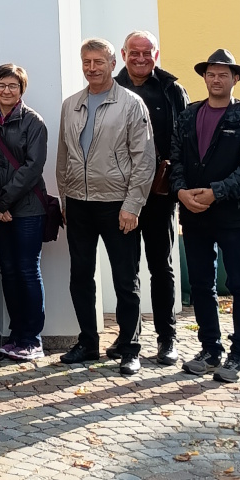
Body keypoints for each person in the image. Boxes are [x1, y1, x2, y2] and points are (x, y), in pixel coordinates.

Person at [57, 37, 155, 375]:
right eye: (87, 61)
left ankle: (129, 347)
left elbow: (144, 159)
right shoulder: (71, 105)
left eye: (99, 61)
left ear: (114, 64)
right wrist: (65, 199)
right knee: (80, 276)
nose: (92, 68)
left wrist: (133, 204)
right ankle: (88, 342)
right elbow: (63, 156)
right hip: (78, 203)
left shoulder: (131, 104)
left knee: (125, 279)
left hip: (117, 204)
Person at [173, 49, 240, 384]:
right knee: (201, 284)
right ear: (204, 77)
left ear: (235, 79)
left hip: (232, 215)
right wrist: (181, 192)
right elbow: (175, 158)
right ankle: (210, 349)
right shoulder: (188, 115)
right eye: (211, 74)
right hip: (194, 213)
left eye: (223, 75)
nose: (216, 80)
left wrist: (217, 192)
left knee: (239, 284)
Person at [115, 29, 188, 364]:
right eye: (134, 52)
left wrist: (178, 184)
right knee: (125, 270)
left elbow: (185, 141)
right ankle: (128, 337)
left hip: (159, 194)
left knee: (161, 267)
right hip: (121, 194)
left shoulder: (171, 90)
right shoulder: (112, 87)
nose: (141, 58)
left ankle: (167, 338)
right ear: (124, 54)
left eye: (148, 53)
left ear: (156, 55)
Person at [0, 64, 49, 361]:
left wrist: (3, 202)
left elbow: (32, 168)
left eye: (13, 85)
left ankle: (32, 339)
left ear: (22, 89)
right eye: (1, 85)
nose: (6, 90)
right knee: (8, 271)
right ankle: (15, 335)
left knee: (26, 270)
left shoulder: (33, 122)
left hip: (28, 209)